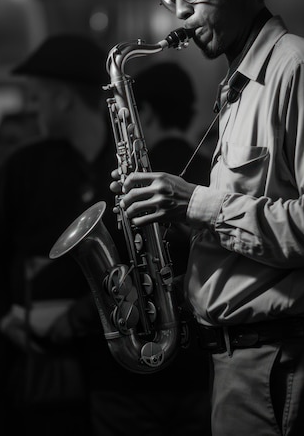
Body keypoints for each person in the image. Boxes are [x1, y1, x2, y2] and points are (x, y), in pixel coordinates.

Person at [112, 0, 304, 436]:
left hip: (288, 362)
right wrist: (170, 215)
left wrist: (196, 203)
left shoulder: (300, 69)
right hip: (250, 364)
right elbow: (256, 223)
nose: (180, 12)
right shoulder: (239, 88)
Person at [0, 33, 116, 436]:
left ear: (63, 98)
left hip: (114, 373)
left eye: (38, 95)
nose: (33, 106)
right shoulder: (23, 167)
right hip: (39, 371)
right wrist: (4, 316)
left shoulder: (126, 165)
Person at [85, 61, 212, 436]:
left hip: (126, 383)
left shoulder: (125, 183)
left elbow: (111, 280)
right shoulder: (213, 173)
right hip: (201, 372)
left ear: (145, 113)